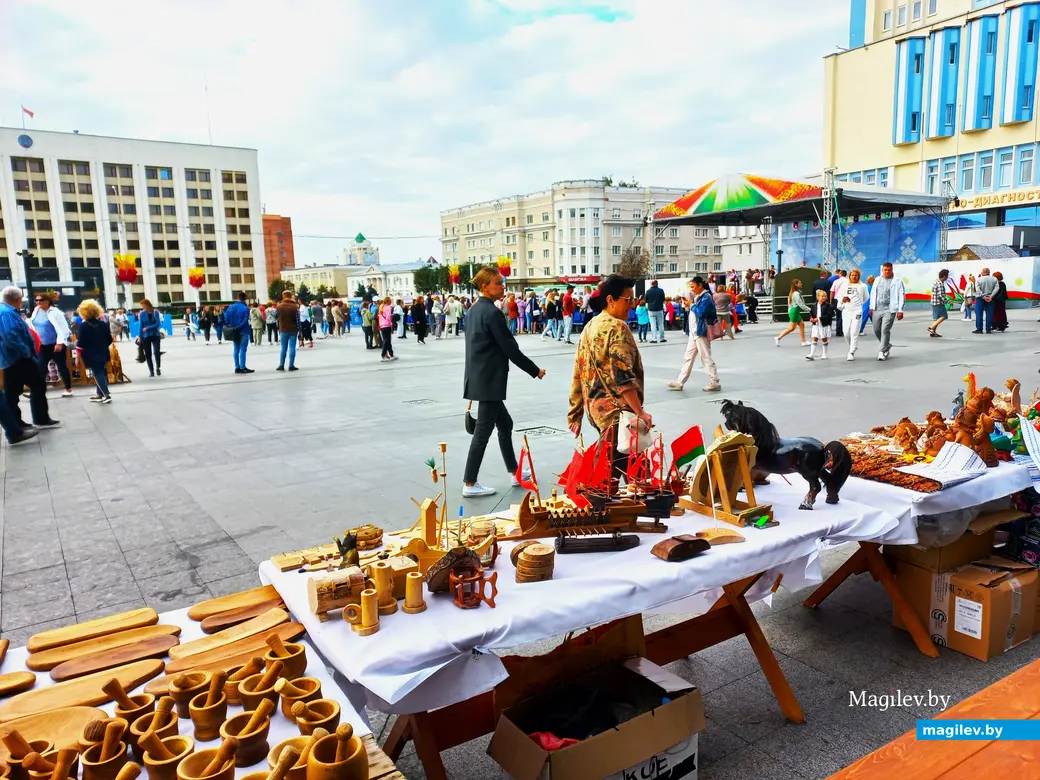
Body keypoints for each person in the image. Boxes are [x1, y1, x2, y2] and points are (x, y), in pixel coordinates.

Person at [462, 267, 544, 497]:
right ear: (485, 286)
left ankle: (514, 472)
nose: (502, 287)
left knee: (505, 424)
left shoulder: (474, 310)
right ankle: (469, 482)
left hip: (480, 377)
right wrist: (534, 370)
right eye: (498, 283)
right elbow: (509, 348)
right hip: (489, 381)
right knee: (483, 432)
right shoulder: (491, 313)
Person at [569, 275, 652, 481]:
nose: (631, 306)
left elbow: (578, 373)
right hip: (618, 414)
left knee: (630, 467)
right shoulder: (617, 327)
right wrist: (639, 411)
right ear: (610, 300)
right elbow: (622, 375)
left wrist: (575, 413)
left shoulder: (589, 327)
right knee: (613, 478)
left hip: (596, 412)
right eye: (627, 300)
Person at [0, 286, 60, 431]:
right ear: (18, 299)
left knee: (13, 391)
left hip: (12, 358)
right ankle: (38, 419)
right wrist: (25, 351)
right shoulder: (6, 313)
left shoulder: (6, 311)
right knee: (34, 385)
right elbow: (10, 335)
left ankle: (19, 422)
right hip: (17, 358)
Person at [667, 277, 720, 392]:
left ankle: (714, 381)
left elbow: (701, 312)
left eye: (693, 287)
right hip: (694, 332)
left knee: (705, 357)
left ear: (700, 285)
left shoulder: (706, 297)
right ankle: (680, 381)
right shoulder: (698, 297)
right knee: (688, 357)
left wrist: (691, 305)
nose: (692, 289)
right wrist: (689, 305)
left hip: (701, 332)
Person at [30, 293, 73, 397]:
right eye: (36, 300)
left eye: (40, 300)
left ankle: (68, 388)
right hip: (42, 345)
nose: (38, 302)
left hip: (55, 344)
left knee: (62, 366)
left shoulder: (56, 312)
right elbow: (32, 325)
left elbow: (64, 329)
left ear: (47, 301)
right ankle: (39, 391)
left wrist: (59, 343)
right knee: (41, 367)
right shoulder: (36, 311)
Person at [76, 299, 114, 403]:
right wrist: (102, 345)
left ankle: (106, 395)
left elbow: (80, 343)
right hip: (103, 352)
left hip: (90, 353)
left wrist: (77, 357)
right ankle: (99, 394)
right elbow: (109, 339)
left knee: (97, 373)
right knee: (100, 371)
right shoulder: (103, 324)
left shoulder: (83, 326)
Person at [870, 262, 905, 361]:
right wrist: (871, 307)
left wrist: (900, 310)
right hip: (877, 308)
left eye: (889, 270)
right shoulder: (877, 279)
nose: (887, 272)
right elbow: (873, 293)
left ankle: (881, 351)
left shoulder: (897, 281)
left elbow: (901, 295)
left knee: (885, 330)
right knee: (876, 330)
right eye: (885, 270)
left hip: (890, 309)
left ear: (892, 270)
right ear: (882, 270)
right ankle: (886, 345)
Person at [836, 268, 870, 361]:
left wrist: (858, 304)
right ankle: (852, 346)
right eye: (852, 275)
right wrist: (843, 300)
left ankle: (851, 352)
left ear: (858, 276)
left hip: (857, 310)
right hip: (846, 310)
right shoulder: (844, 285)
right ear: (849, 276)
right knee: (846, 332)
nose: (854, 277)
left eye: (856, 275)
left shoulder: (863, 286)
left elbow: (866, 297)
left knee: (854, 331)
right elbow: (840, 296)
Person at [223, 292, 252, 374]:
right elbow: (245, 320)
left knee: (236, 348)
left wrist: (231, 326)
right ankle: (243, 367)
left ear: (237, 297)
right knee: (243, 349)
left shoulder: (230, 307)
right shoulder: (245, 308)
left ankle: (237, 367)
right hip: (243, 330)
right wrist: (238, 326)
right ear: (245, 298)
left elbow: (226, 318)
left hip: (233, 331)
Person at [774, 278, 810, 347]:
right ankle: (778, 338)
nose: (801, 284)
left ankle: (803, 341)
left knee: (801, 324)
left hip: (794, 311)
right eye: (800, 283)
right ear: (796, 284)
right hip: (794, 311)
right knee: (791, 328)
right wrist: (810, 310)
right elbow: (801, 304)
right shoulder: (796, 293)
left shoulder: (793, 293)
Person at [805, 289, 834, 361]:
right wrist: (811, 318)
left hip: (824, 324)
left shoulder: (828, 306)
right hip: (816, 325)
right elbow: (811, 313)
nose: (824, 297)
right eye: (822, 296)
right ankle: (812, 354)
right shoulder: (814, 305)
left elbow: (829, 315)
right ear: (818, 297)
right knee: (814, 338)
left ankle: (824, 353)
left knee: (824, 338)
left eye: (825, 296)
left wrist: (819, 319)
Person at [138, 299, 163, 377]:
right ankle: (151, 371)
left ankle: (158, 368)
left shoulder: (156, 313)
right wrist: (139, 336)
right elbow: (141, 325)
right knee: (148, 354)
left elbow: (158, 324)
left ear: (148, 304)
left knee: (156, 352)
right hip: (146, 336)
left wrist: (148, 328)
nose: (143, 307)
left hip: (155, 334)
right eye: (142, 306)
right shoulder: (142, 314)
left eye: (144, 305)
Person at [276, 291, 300, 371]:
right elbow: (298, 320)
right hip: (293, 330)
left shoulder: (279, 306)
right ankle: (291, 365)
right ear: (290, 296)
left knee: (283, 348)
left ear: (283, 296)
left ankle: (281, 365)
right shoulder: (295, 307)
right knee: (292, 347)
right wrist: (300, 331)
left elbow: (276, 316)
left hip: (283, 329)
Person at [973, 267, 998, 334]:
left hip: (980, 298)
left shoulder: (979, 280)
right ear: (989, 272)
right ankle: (988, 329)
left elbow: (978, 290)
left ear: (982, 273)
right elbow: (996, 289)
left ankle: (979, 329)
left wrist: (984, 297)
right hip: (990, 299)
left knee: (979, 314)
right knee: (989, 314)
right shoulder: (994, 279)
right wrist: (991, 296)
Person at [928, 268, 952, 337]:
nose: (947, 278)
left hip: (934, 302)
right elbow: (940, 295)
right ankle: (931, 328)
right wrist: (947, 301)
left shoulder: (936, 281)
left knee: (936, 318)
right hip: (938, 303)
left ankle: (933, 332)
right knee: (944, 316)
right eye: (946, 276)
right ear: (944, 276)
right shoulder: (940, 284)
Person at [378, 297, 396, 361]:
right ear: (387, 301)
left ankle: (391, 354)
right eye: (390, 300)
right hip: (387, 325)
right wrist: (391, 324)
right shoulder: (388, 307)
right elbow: (388, 317)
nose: (391, 302)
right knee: (386, 341)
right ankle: (383, 355)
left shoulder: (381, 307)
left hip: (382, 326)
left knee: (387, 341)